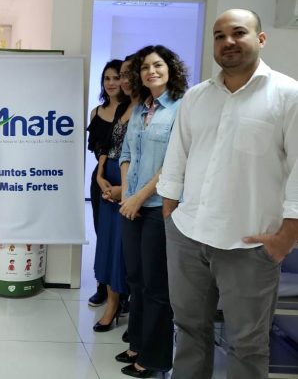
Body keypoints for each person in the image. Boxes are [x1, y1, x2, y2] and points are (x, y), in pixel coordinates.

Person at [158, 9, 298, 379]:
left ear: (261, 39)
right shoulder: (197, 96)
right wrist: (170, 208)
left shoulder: (288, 95)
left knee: (248, 343)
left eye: (238, 33)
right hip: (189, 235)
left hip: (250, 243)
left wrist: (288, 234)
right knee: (189, 331)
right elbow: (178, 153)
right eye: (219, 35)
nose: (228, 42)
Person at [116, 45, 187, 378]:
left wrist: (139, 197)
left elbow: (174, 163)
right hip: (132, 206)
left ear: (170, 69)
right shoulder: (140, 107)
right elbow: (126, 153)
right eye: (145, 67)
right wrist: (128, 193)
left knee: (156, 285)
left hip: (159, 208)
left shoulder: (180, 108)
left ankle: (155, 359)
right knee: (136, 279)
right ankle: (138, 343)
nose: (151, 71)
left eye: (157, 65)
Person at [93, 58, 135, 333]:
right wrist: (99, 175)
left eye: (122, 76)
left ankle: (121, 302)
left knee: (123, 246)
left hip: (129, 183)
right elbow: (106, 145)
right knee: (107, 242)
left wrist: (124, 187)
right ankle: (112, 300)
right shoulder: (119, 109)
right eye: (120, 76)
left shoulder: (142, 108)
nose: (120, 81)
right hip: (106, 179)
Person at [87, 60, 126, 307]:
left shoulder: (133, 110)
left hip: (126, 180)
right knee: (102, 234)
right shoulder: (96, 112)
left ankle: (123, 291)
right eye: (107, 78)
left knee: (122, 238)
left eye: (116, 77)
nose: (111, 83)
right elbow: (96, 149)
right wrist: (101, 178)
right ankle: (103, 285)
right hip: (100, 180)